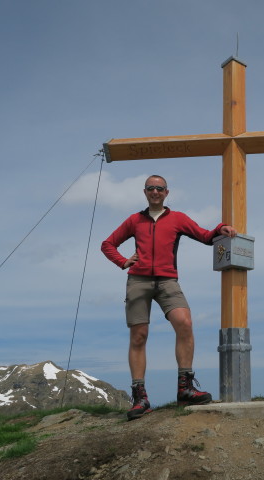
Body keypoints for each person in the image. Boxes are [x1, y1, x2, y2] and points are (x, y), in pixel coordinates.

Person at [101, 174, 237, 420]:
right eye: (151, 188)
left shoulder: (178, 219)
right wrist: (122, 262)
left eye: (159, 189)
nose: (155, 192)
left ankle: (185, 388)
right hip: (138, 281)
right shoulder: (134, 220)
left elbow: (205, 236)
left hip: (167, 280)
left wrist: (220, 229)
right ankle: (140, 398)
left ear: (167, 192)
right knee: (139, 336)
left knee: (184, 322)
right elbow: (107, 244)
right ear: (145, 192)